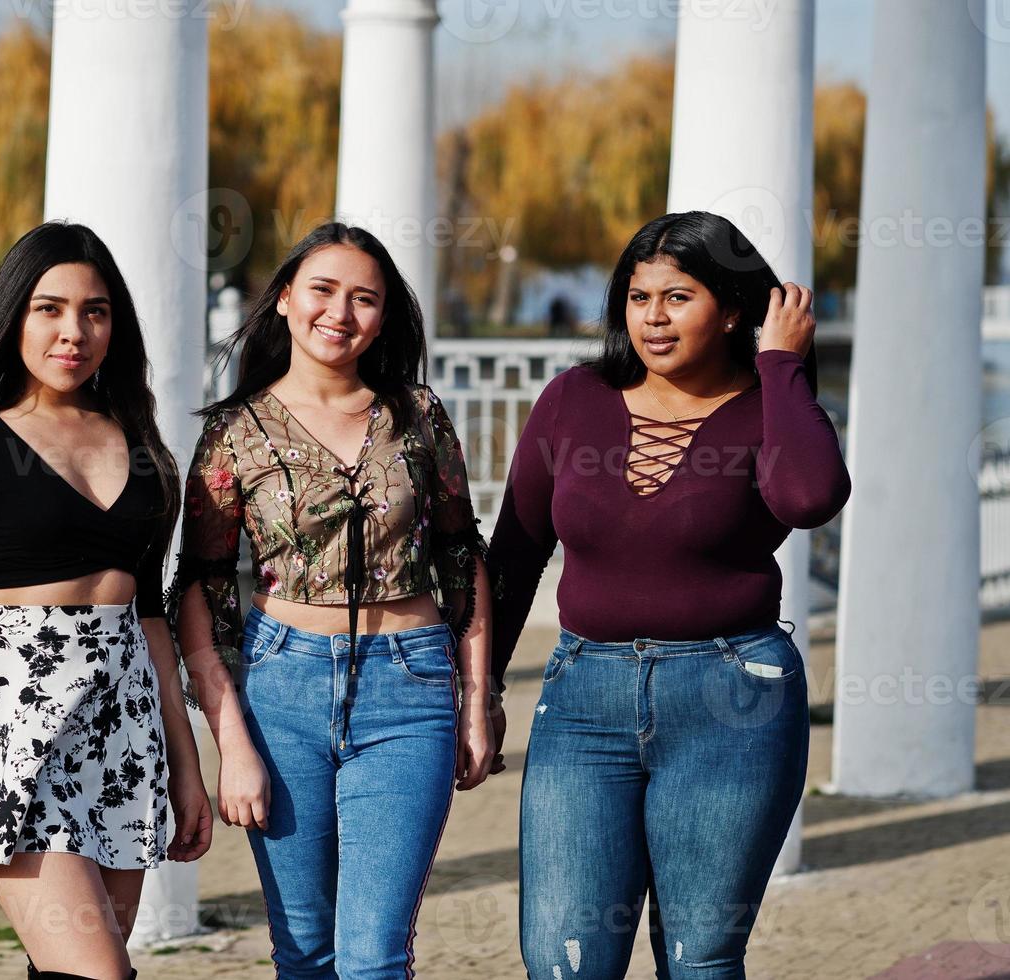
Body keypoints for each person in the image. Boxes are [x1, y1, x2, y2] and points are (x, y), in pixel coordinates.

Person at [488, 210, 851, 979]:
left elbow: (809, 496)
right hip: (582, 699)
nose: (651, 317)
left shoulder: (766, 409)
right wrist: (478, 688)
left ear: (730, 311)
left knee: (699, 958)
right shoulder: (572, 399)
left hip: (732, 701)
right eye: (637, 295)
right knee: (563, 958)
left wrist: (782, 364)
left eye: (677, 297)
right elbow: (514, 554)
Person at [171, 222, 494, 978]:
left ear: (384, 317)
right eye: (322, 290)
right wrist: (232, 742)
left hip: (408, 684)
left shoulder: (417, 414)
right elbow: (202, 584)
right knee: (304, 950)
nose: (339, 312)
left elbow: (460, 552)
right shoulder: (232, 432)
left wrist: (477, 700)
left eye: (364, 299)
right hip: (281, 685)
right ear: (284, 298)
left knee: (375, 955)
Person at [0, 222, 211, 980]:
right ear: (12, 317)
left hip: (122, 730)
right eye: (49, 308)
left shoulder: (138, 441)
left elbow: (150, 616)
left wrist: (185, 760)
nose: (73, 331)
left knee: (78, 970)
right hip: (10, 731)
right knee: (95, 974)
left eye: (95, 311)